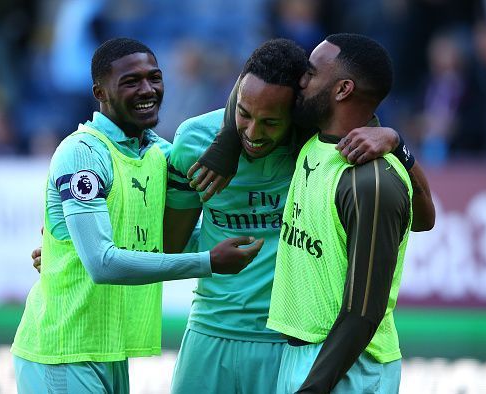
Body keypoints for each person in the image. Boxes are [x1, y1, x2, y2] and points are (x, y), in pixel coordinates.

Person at [165, 38, 434, 393]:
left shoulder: (333, 152)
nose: (253, 133)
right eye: (244, 115)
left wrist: (396, 140)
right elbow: (171, 246)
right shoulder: (204, 139)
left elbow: (420, 222)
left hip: (307, 348)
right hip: (224, 334)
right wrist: (228, 138)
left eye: (310, 73)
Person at [11, 37, 263, 394]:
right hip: (61, 349)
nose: (148, 89)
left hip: (111, 351)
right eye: (131, 81)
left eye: (154, 78)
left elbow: (160, 239)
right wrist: (208, 261)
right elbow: (102, 264)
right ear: (100, 91)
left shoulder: (160, 154)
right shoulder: (82, 154)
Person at [267, 33, 413, 393]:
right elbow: (251, 81)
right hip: (303, 358)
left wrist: (313, 387)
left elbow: (363, 311)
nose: (301, 80)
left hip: (351, 369)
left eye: (312, 73)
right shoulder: (311, 143)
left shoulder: (372, 181)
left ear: (343, 89)